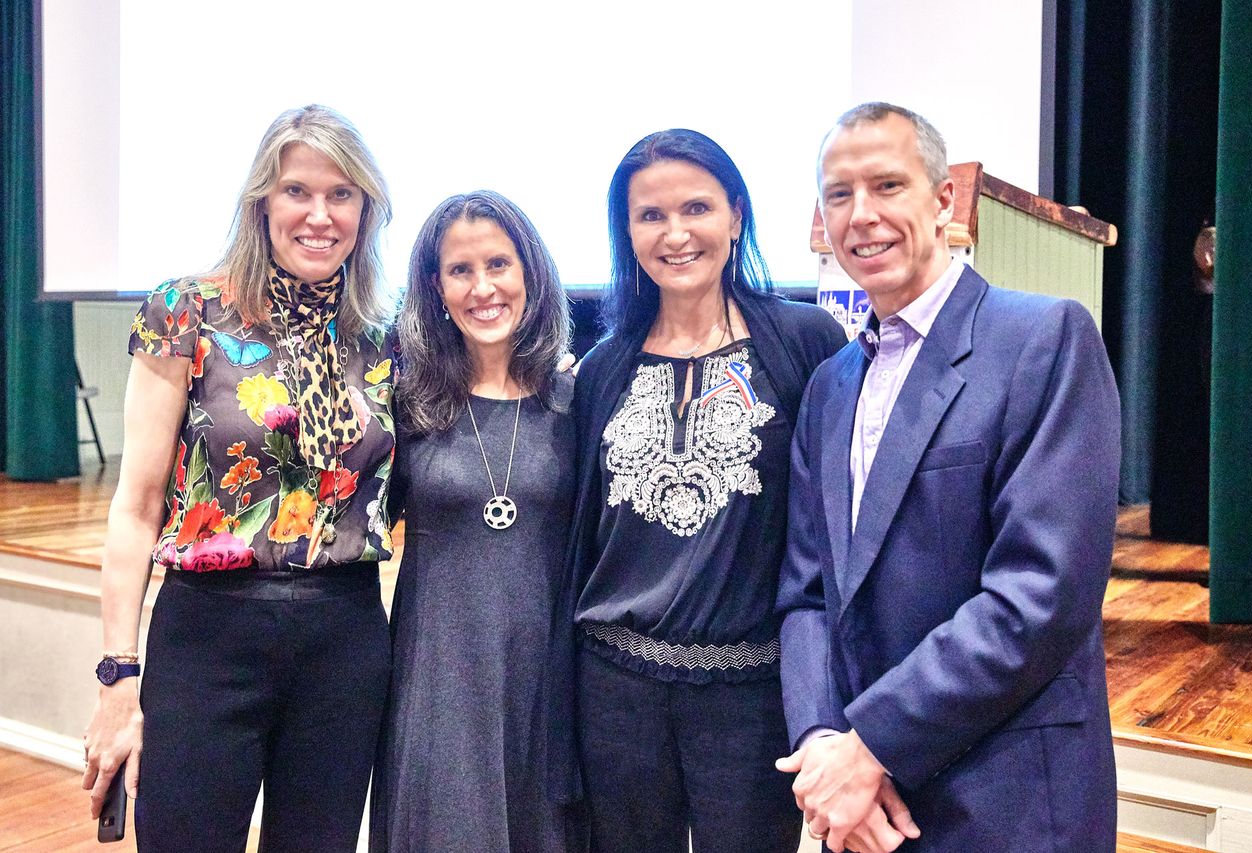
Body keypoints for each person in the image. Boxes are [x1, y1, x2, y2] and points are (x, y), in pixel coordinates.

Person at [775, 102, 1121, 853]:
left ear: (942, 201)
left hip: (1007, 792)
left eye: (887, 186)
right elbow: (806, 591)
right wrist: (822, 744)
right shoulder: (830, 384)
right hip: (864, 806)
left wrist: (871, 745)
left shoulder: (1044, 339)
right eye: (839, 194)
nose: (862, 215)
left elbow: (1041, 594)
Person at [82, 104, 399, 851]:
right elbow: (136, 507)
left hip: (344, 639)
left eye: (341, 194)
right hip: (209, 633)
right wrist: (118, 676)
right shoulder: (186, 309)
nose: (319, 215)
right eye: (297, 191)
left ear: (366, 209)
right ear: (262, 202)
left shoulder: (387, 335)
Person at [555, 129, 847, 853]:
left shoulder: (806, 343)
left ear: (736, 215)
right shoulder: (602, 370)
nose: (675, 233)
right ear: (627, 230)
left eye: (696, 207)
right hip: (614, 691)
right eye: (650, 215)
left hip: (751, 698)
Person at [371, 190, 581, 853]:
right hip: (440, 674)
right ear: (435, 286)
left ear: (532, 273)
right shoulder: (406, 401)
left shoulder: (578, 398)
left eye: (499, 263)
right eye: (461, 270)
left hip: (547, 671)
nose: (483, 287)